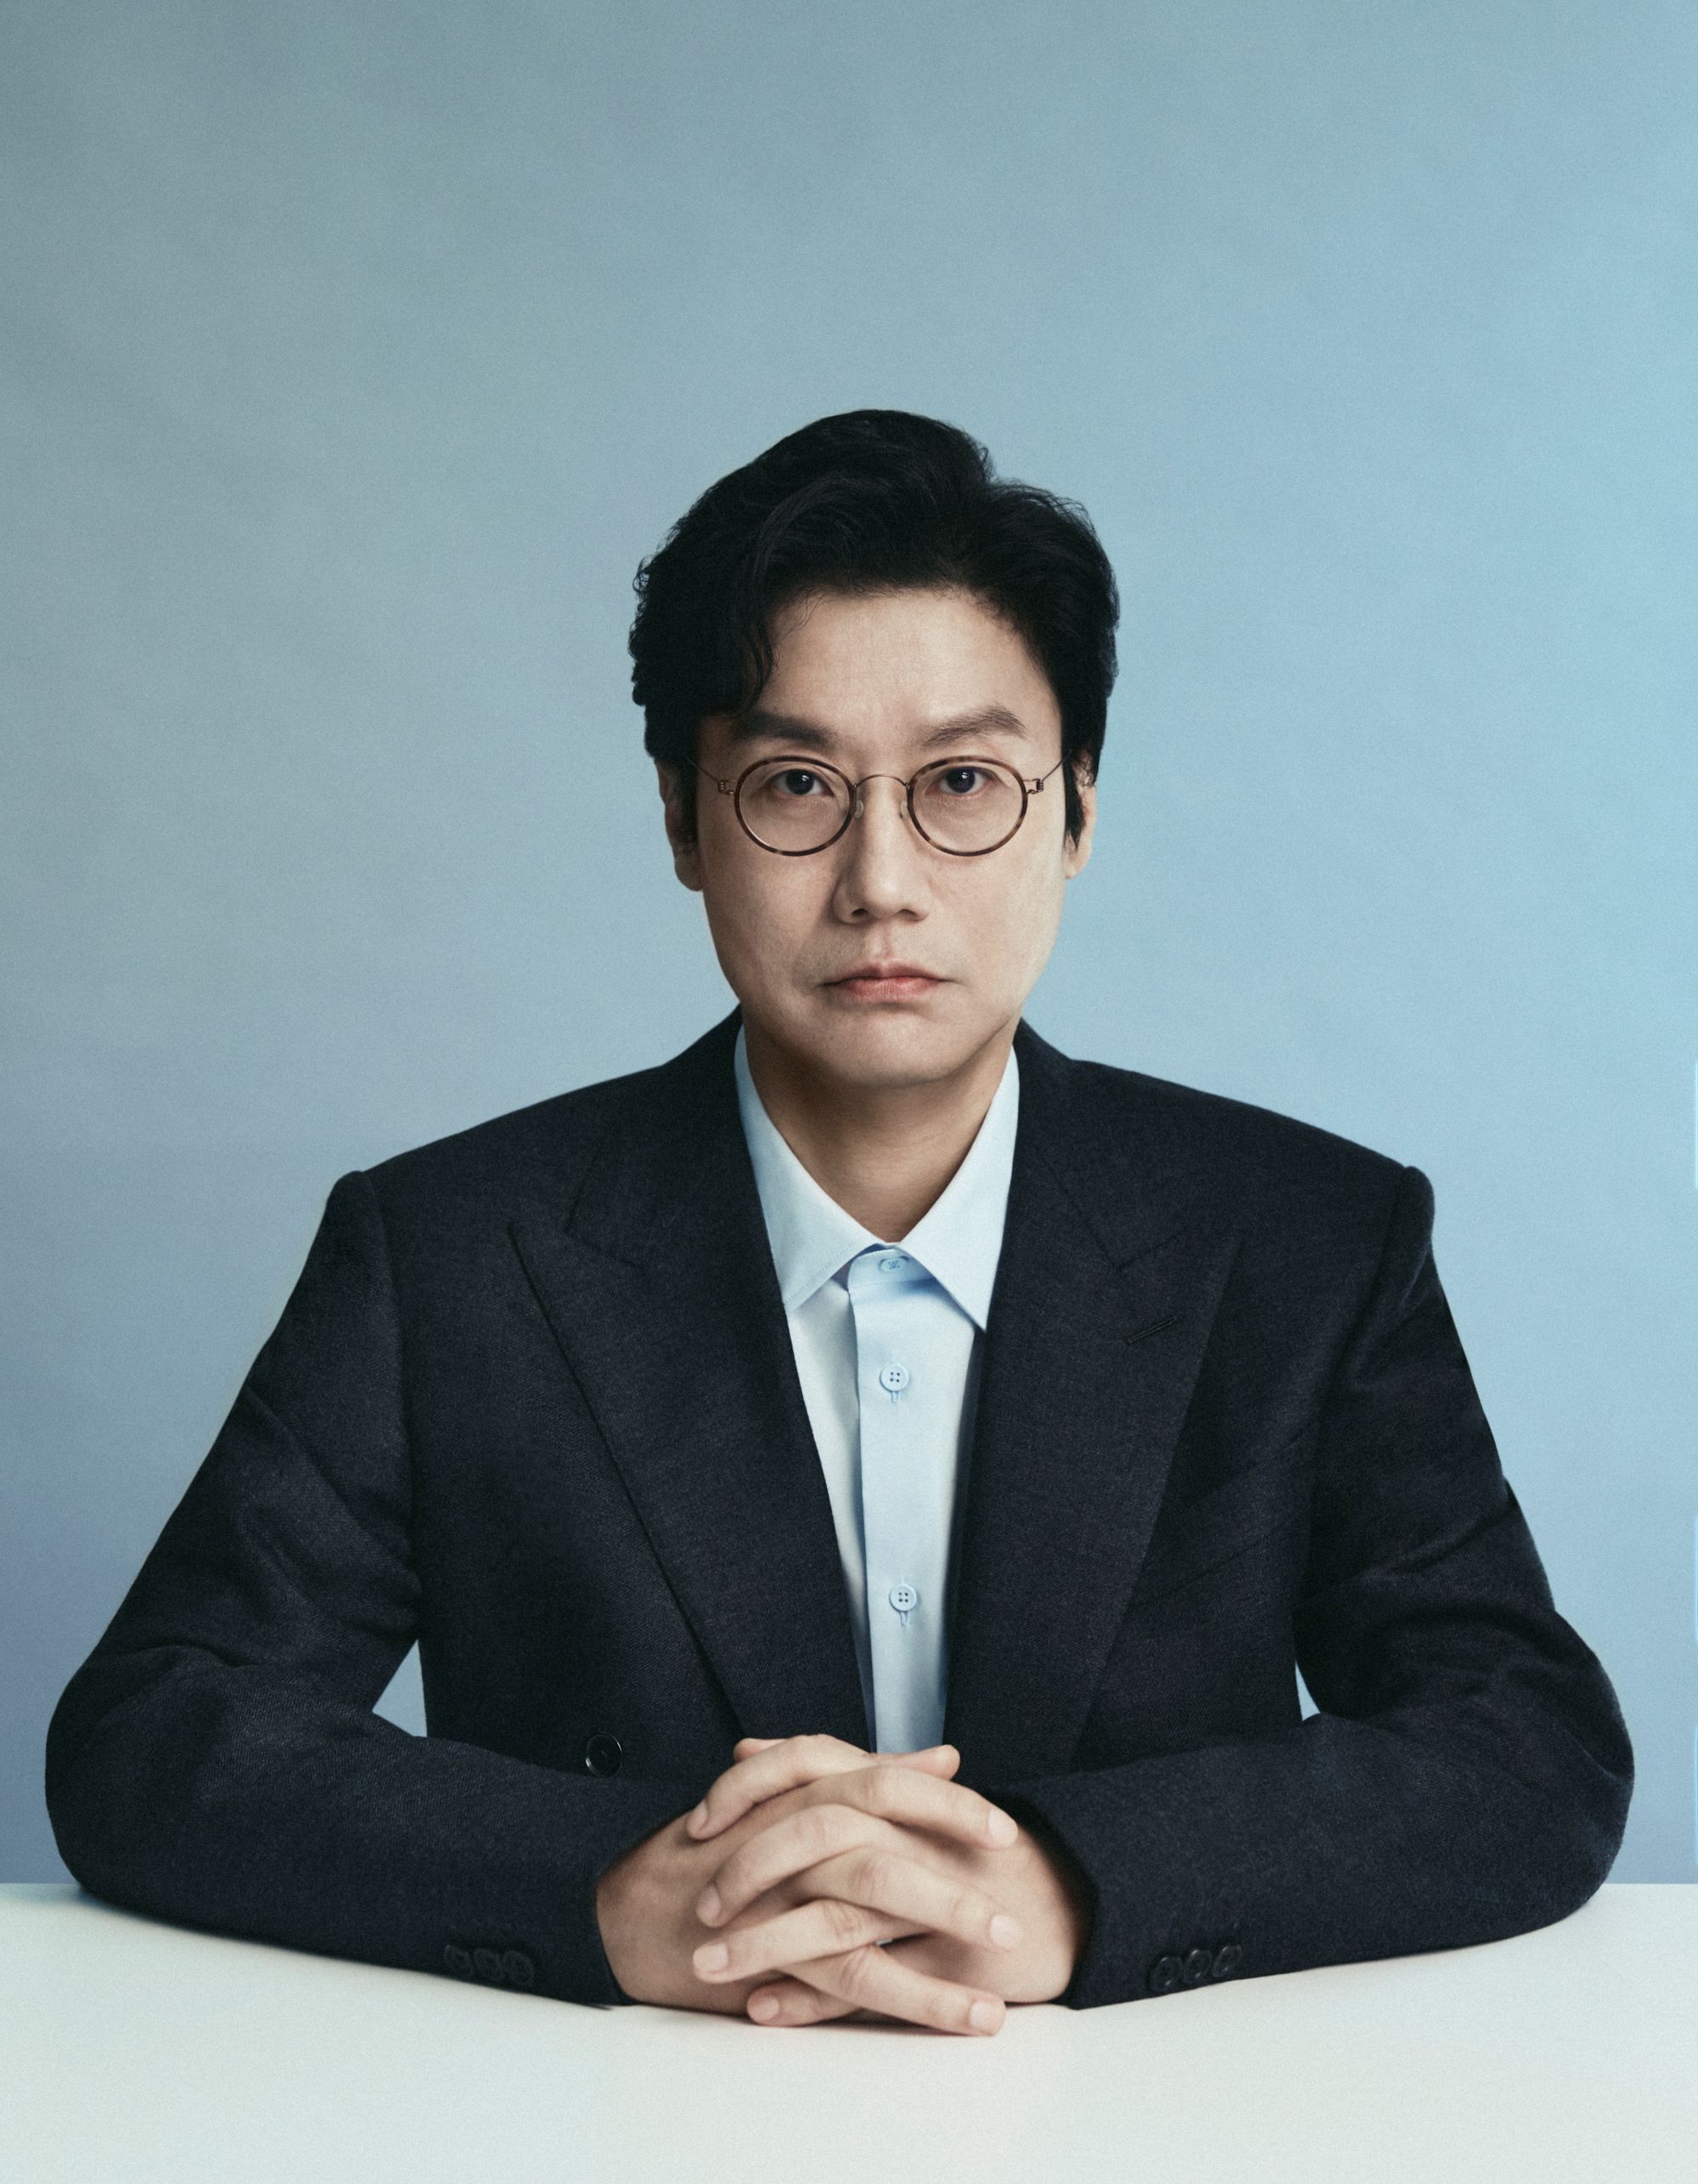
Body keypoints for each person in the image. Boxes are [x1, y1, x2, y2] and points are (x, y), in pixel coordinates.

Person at [46, 409, 1632, 2037]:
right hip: (609, 2118)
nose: (883, 879)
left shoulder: (1307, 1241)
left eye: (964, 784)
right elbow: (153, 1729)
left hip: (1138, 2115)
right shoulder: (450, 1252)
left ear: (1079, 812)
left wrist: (1072, 1886)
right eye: (796, 784)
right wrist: (602, 1887)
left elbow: (1526, 1743)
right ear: (684, 819)